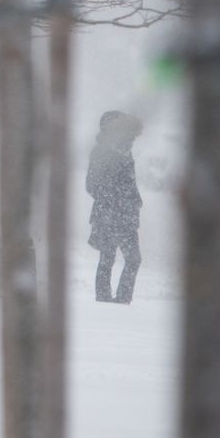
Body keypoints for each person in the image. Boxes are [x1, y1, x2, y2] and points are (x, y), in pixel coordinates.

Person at [87, 110, 144, 303]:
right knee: (108, 257)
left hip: (125, 215)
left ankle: (122, 299)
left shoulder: (126, 150)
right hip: (109, 213)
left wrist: (134, 199)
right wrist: (116, 198)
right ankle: (105, 300)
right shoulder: (101, 152)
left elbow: (129, 183)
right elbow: (91, 185)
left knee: (132, 259)